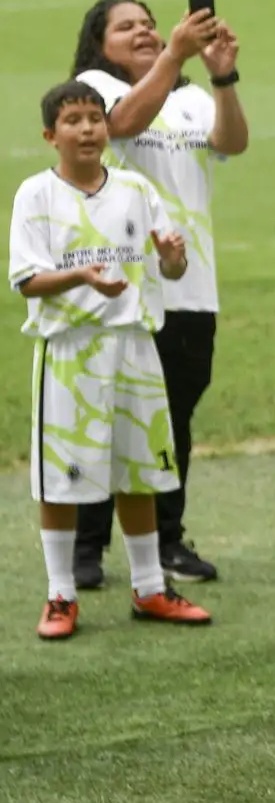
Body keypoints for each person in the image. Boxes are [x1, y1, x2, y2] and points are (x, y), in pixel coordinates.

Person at [11, 80, 215, 638]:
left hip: (134, 347)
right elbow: (27, 280)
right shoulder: (36, 194)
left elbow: (169, 269)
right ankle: (60, 595)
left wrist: (172, 260)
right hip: (74, 353)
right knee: (63, 480)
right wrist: (81, 277)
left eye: (95, 118)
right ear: (51, 135)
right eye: (73, 120)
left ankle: (150, 588)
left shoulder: (135, 189)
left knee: (140, 472)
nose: (87, 129)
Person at [69, 0, 249, 589]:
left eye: (149, 25)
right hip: (119, 287)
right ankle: (86, 547)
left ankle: (168, 539)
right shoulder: (94, 86)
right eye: (128, 28)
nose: (144, 33)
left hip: (191, 285)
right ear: (101, 44)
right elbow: (121, 124)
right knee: (107, 415)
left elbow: (231, 142)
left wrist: (222, 78)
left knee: (174, 418)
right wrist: (174, 51)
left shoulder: (191, 97)